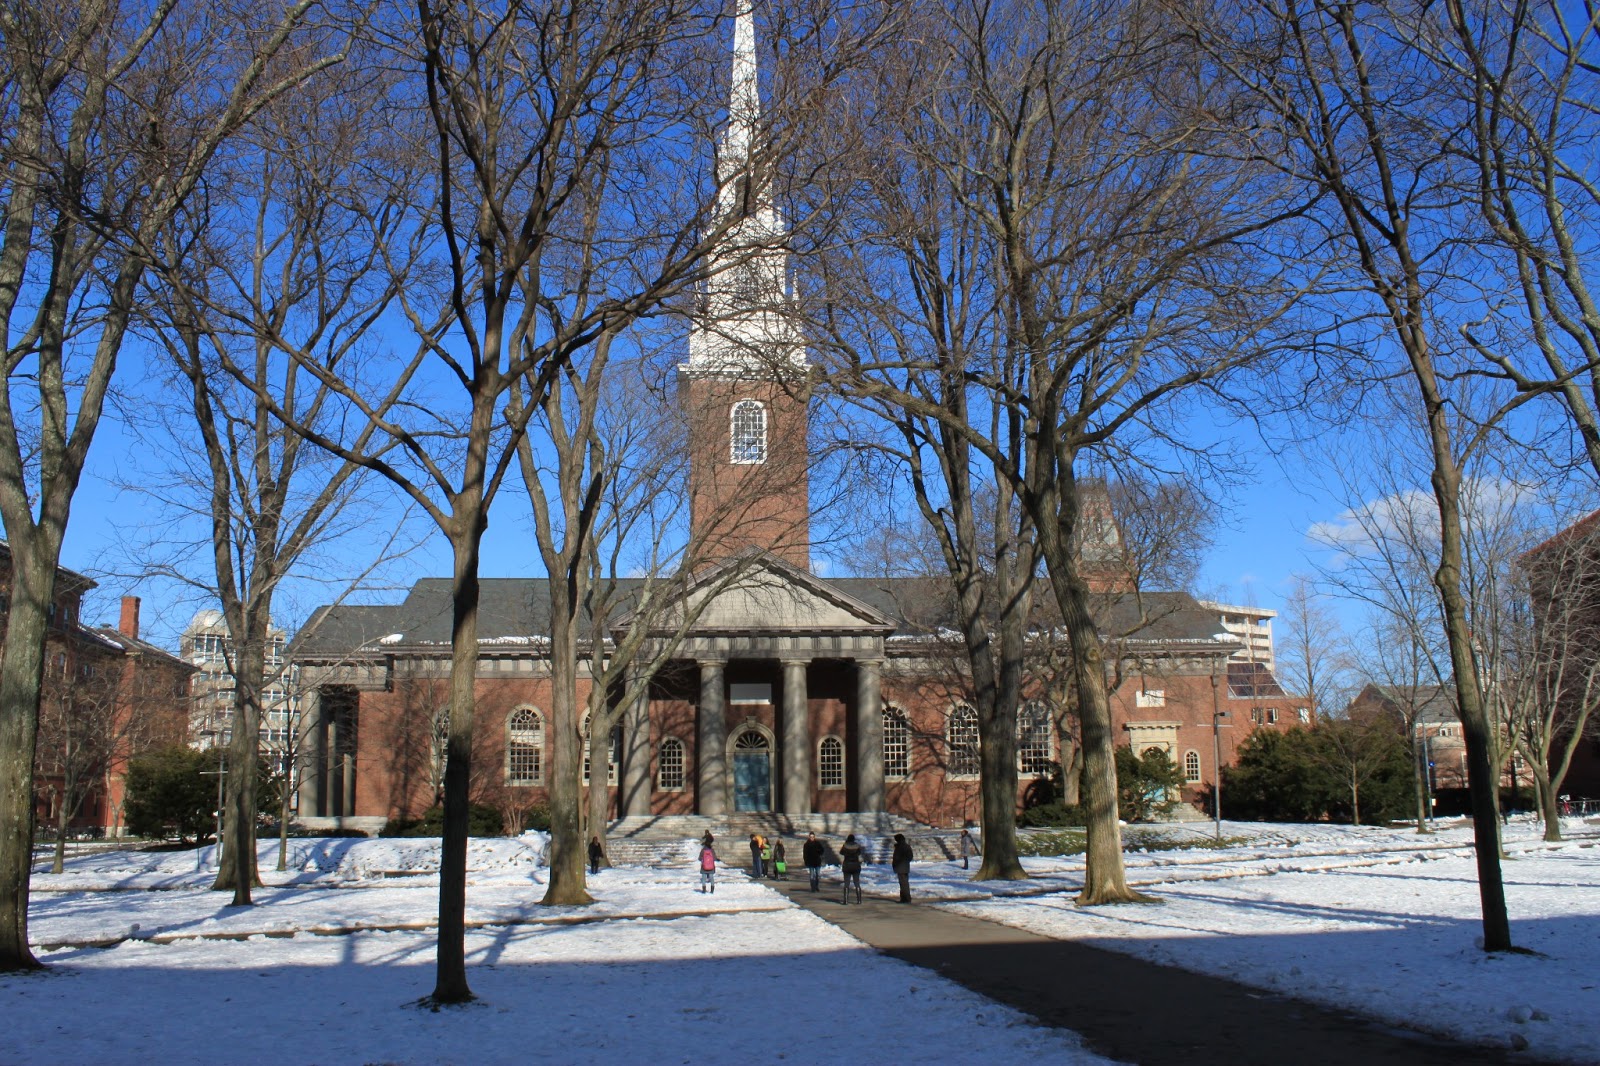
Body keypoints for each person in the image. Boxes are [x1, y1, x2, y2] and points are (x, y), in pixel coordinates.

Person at [840, 834, 863, 904]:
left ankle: (846, 900)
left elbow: (841, 852)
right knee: (857, 883)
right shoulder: (857, 846)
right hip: (856, 866)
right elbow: (859, 853)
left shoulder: (845, 845)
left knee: (846, 883)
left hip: (847, 866)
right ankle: (859, 900)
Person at [891, 832, 913, 903]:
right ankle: (905, 898)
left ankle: (905, 899)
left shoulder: (900, 847)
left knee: (903, 884)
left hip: (900, 867)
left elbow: (896, 857)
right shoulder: (906, 846)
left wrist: (898, 863)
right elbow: (910, 856)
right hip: (905, 867)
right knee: (905, 883)